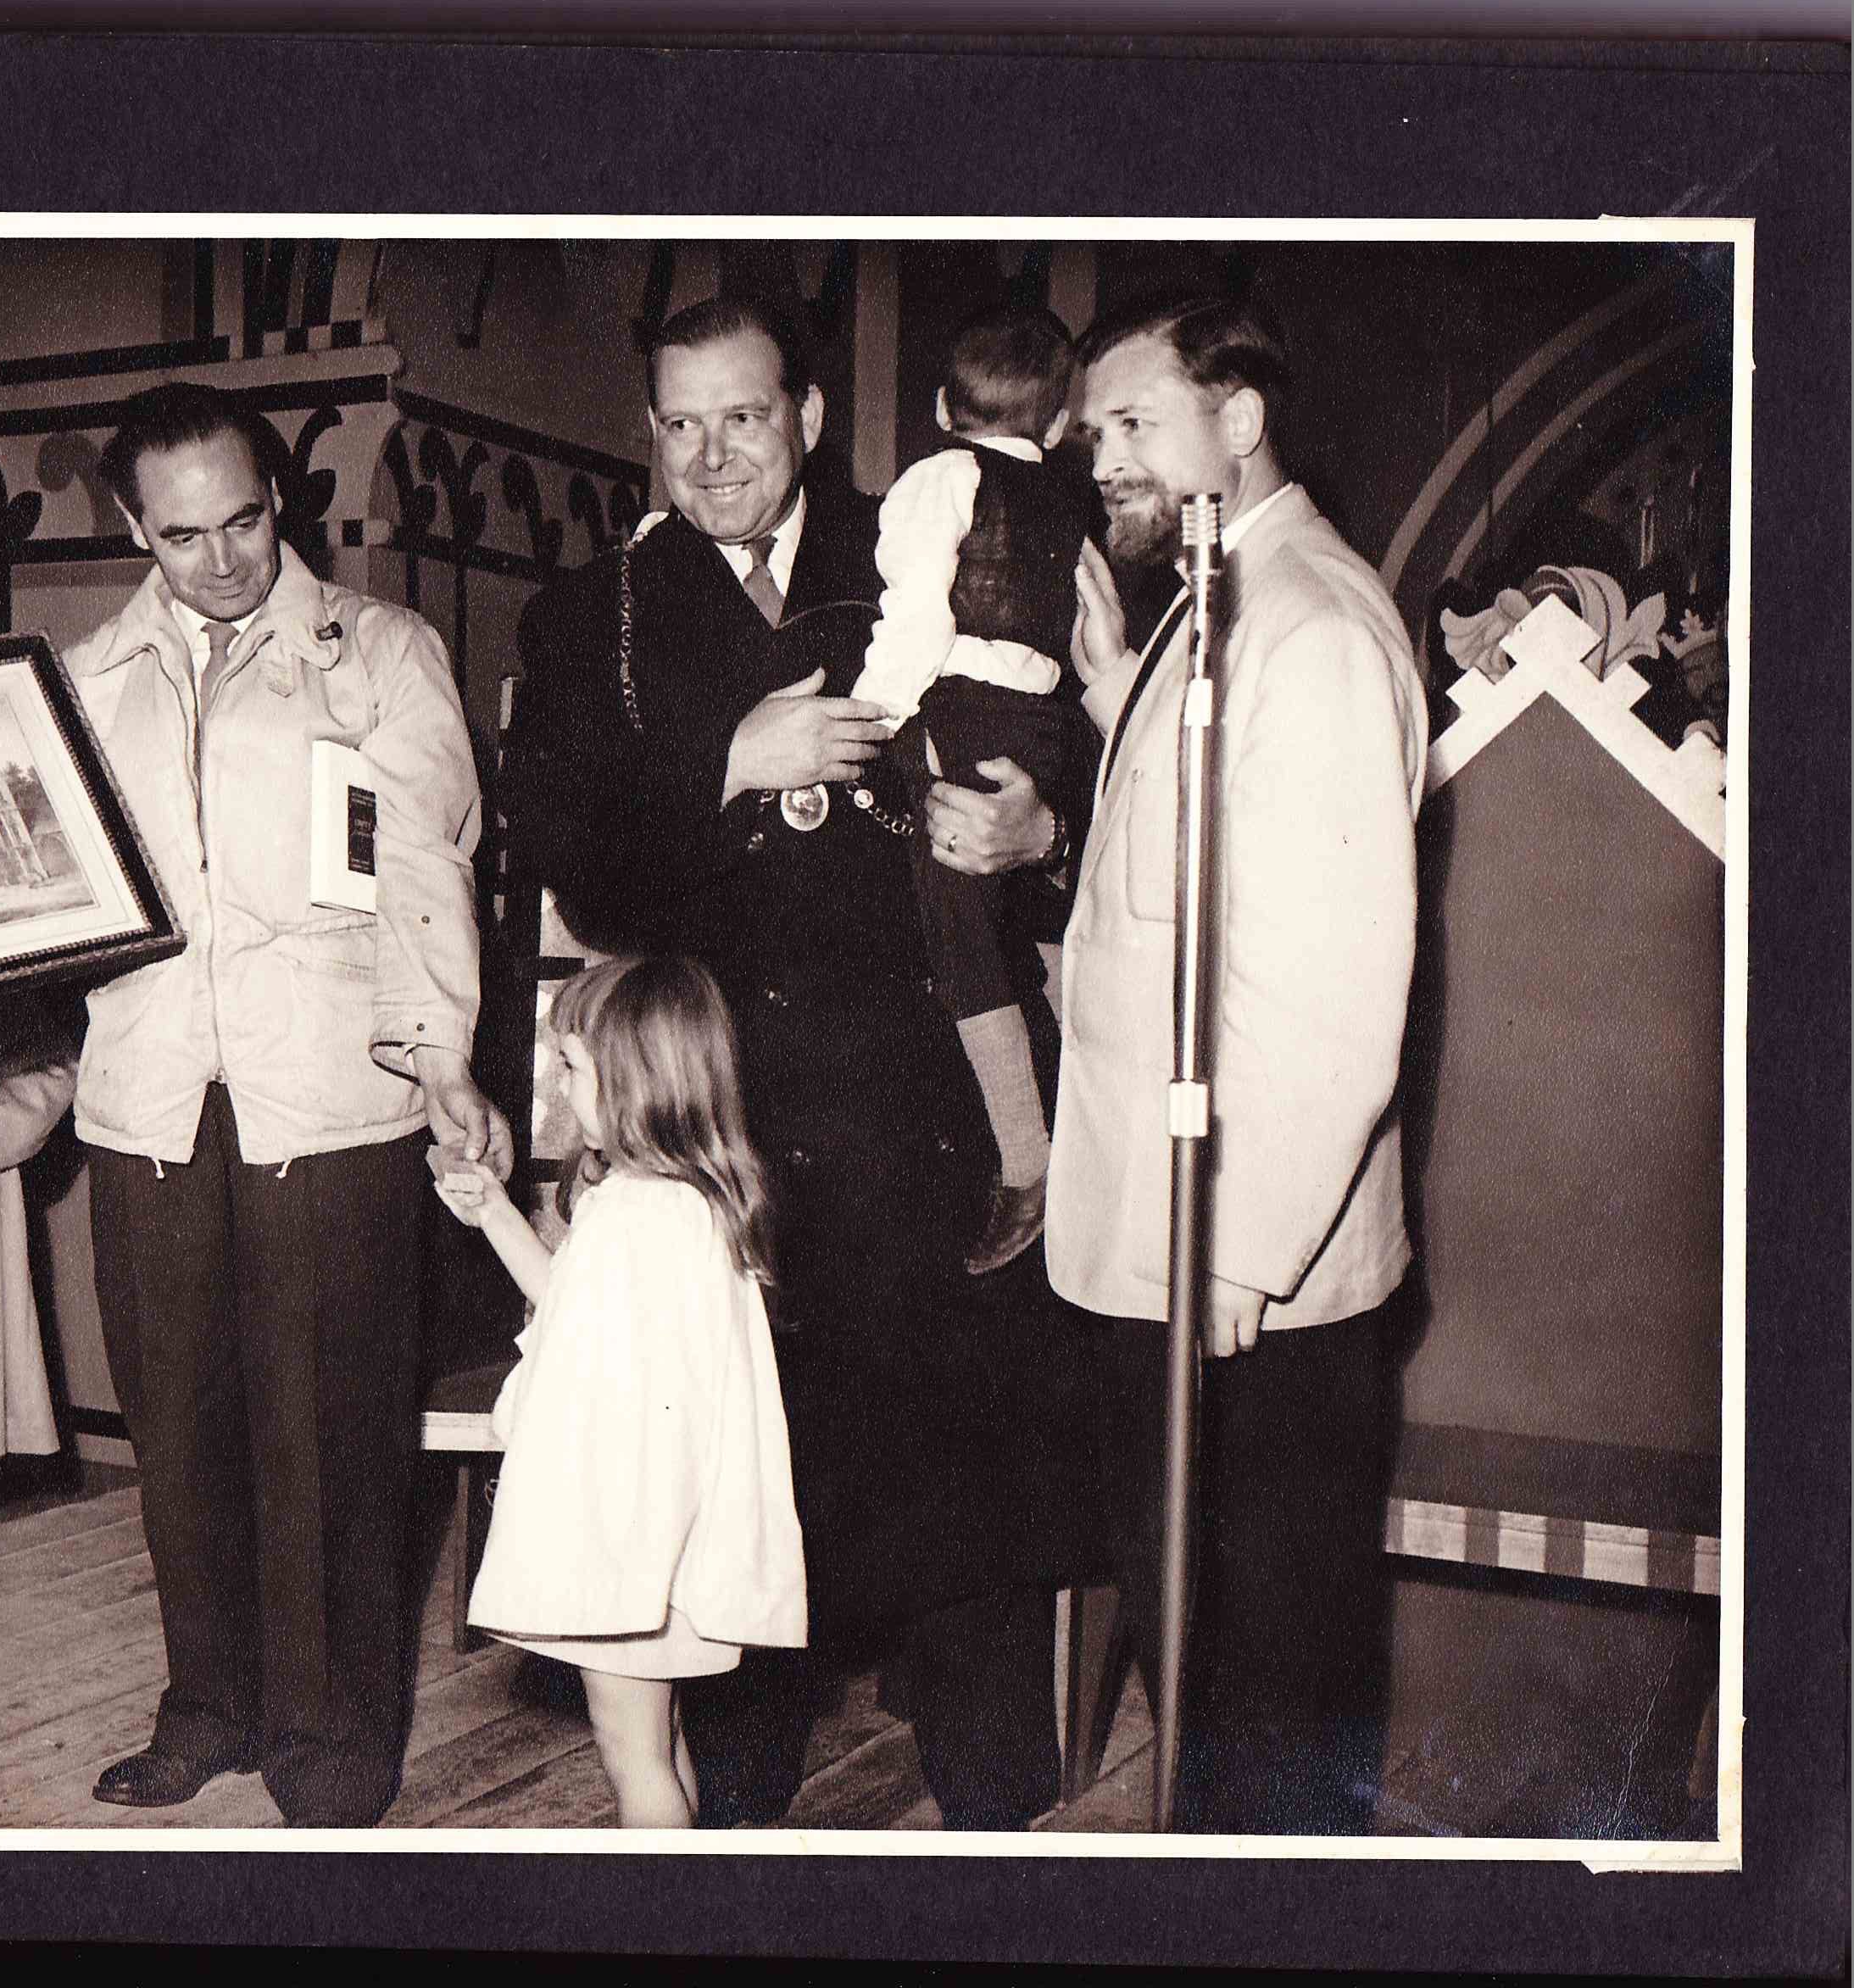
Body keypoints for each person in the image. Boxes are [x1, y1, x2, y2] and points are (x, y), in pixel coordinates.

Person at [503, 292, 1097, 1829]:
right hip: (720, 1121)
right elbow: (573, 868)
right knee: (739, 1479)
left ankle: (999, 1827)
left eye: (744, 417)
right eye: (680, 424)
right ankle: (744, 1836)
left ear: (810, 420)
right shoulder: (587, 619)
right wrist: (724, 768)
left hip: (922, 1109)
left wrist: (1043, 825)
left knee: (960, 1482)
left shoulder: (923, 540)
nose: (711, 456)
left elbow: (1070, 716)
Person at [967, 288, 1428, 1831]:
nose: (1102, 457)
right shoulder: (1220, 605)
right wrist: (1114, 698)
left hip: (1240, 1279)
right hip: (1172, 1251)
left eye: (1134, 423)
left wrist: (1235, 1257)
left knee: (1265, 1702)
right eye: (1094, 428)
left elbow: (1334, 976)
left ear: (1237, 419)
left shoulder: (1312, 624)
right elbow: (1196, 863)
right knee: (1210, 1684)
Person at [64, 380, 510, 1828]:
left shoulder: (374, 654)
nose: (222, 560)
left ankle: (330, 1746)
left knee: (327, 1440)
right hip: (149, 1104)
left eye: (245, 520)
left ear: (279, 501)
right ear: (135, 525)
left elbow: (420, 866)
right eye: (182, 534)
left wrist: (443, 1054)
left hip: (327, 1100)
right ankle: (208, 1709)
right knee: (177, 1437)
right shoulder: (79, 682)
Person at [431, 955, 804, 1829]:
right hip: (673, 1543)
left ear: (636, 1082)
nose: (558, 1087)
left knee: (633, 1755)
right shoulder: (680, 1201)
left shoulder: (637, 1215)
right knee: (658, 1741)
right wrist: (495, 1213)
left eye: (571, 1066)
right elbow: (569, 1306)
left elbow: (573, 1362)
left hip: (627, 1543)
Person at [855, 302, 1099, 1275]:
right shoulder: (1077, 498)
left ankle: (1027, 1160)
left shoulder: (942, 477)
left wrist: (871, 719)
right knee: (1040, 922)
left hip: (959, 709)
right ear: (1053, 422)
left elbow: (914, 616)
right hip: (1049, 720)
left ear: (944, 406)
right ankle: (1083, 1118)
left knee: (958, 933)